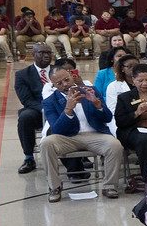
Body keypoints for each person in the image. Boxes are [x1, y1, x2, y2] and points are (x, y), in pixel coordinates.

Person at [38, 62, 124, 201]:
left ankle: (110, 185)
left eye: (66, 79)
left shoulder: (90, 90)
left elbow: (108, 117)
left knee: (115, 145)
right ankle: (54, 186)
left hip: (95, 134)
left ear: (71, 76)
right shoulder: (50, 102)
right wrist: (68, 110)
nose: (65, 84)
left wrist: (97, 104)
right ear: (53, 85)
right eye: (59, 83)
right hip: (67, 137)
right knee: (46, 144)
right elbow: (57, 129)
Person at [12, 43, 58, 175]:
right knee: (25, 117)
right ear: (33, 55)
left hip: (60, 107)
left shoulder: (59, 70)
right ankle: (29, 158)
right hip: (37, 110)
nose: (46, 55)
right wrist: (45, 109)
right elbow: (26, 100)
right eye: (42, 53)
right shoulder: (22, 75)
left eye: (48, 53)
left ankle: (79, 156)